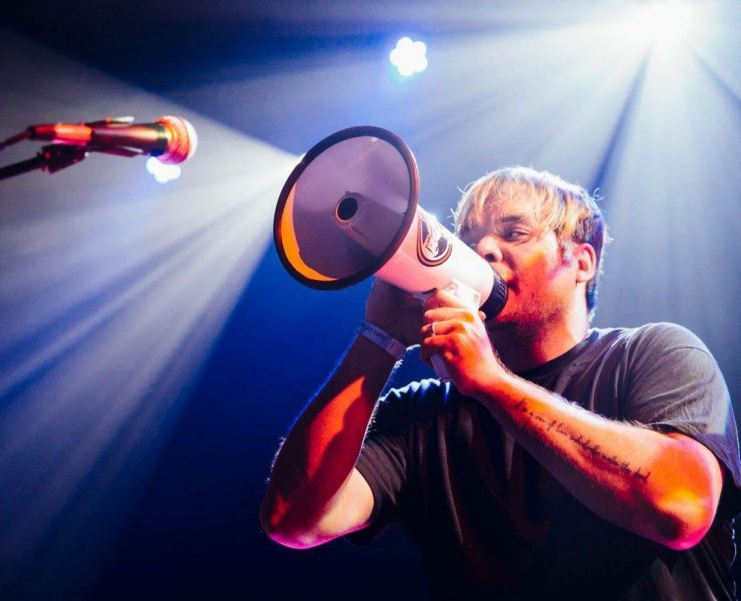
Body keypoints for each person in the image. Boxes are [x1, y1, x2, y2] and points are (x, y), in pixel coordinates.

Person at [259, 166, 741, 600]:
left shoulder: (654, 353)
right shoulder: (423, 413)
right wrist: (378, 340)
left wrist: (492, 382)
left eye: (515, 232)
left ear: (582, 261)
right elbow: (293, 519)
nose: (484, 249)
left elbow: (680, 506)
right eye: (470, 239)